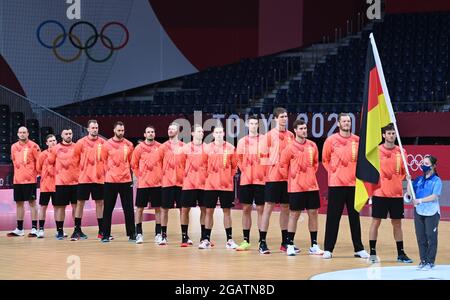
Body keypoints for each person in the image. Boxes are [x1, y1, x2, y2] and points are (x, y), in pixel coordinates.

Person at [322, 113, 369, 259]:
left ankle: (359, 248)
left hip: (354, 185)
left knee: (354, 218)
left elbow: (362, 161)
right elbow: (325, 159)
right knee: (333, 218)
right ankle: (328, 249)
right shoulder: (331, 140)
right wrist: (335, 172)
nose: (346, 123)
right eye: (344, 121)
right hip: (336, 185)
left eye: (348, 121)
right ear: (338, 123)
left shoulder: (357, 140)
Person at [369, 123, 412, 263]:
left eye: (393, 133)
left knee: (397, 224)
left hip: (396, 194)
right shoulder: (376, 151)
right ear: (383, 135)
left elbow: (405, 174)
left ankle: (401, 253)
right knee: (376, 222)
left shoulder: (402, 152)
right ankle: (373, 253)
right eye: (389, 133)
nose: (391, 136)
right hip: (380, 193)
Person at [280, 119, 324, 256]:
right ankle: (290, 245)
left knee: (313, 214)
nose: (304, 131)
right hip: (296, 188)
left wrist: (308, 176)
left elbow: (315, 164)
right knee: (294, 215)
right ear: (295, 131)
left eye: (305, 128)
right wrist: (293, 178)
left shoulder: (313, 145)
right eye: (301, 129)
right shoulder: (289, 148)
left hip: (311, 186)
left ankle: (314, 245)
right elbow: (283, 166)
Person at [258, 107, 295, 254]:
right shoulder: (268, 136)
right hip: (273, 177)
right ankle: (262, 242)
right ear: (274, 119)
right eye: (281, 117)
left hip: (287, 178)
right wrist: (269, 172)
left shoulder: (291, 135)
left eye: (286, 116)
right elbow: (262, 157)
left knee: (286, 208)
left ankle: (285, 242)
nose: (284, 119)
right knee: (268, 208)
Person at [200, 125, 238, 249]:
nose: (218, 134)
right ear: (213, 134)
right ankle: (206, 239)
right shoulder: (206, 148)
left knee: (227, 211)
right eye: (216, 132)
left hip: (226, 186)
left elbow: (234, 167)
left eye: (220, 132)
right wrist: (210, 178)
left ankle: (229, 240)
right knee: (209, 211)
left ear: (224, 133)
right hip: (210, 185)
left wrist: (226, 177)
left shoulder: (231, 148)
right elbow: (203, 166)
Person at [71, 120, 106, 241]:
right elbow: (74, 161)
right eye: (93, 127)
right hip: (84, 178)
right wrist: (79, 174)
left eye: (96, 127)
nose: (95, 129)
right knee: (80, 203)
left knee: (100, 203)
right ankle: (77, 229)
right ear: (88, 129)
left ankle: (102, 230)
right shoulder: (80, 143)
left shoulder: (103, 143)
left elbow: (106, 160)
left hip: (99, 178)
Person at [101, 121, 136, 242]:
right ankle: (105, 234)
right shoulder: (106, 145)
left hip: (126, 180)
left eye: (122, 130)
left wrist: (131, 177)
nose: (121, 132)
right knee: (108, 209)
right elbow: (103, 161)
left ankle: (132, 234)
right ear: (114, 130)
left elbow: (132, 163)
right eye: (119, 130)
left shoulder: (129, 144)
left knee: (129, 208)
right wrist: (109, 173)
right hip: (110, 181)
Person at [235, 115, 266, 251]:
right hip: (246, 180)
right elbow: (239, 160)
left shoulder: (264, 140)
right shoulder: (242, 141)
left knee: (260, 209)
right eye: (251, 123)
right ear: (248, 125)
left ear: (258, 125)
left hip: (261, 180)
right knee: (246, 209)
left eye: (255, 123)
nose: (253, 126)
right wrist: (246, 172)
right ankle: (246, 240)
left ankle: (261, 240)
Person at [406, 155, 442, 271]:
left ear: (433, 166)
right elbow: (410, 194)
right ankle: (423, 260)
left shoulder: (437, 180)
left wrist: (420, 200)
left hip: (432, 212)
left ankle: (430, 262)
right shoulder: (418, 179)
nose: (423, 166)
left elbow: (434, 196)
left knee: (431, 237)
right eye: (422, 163)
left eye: (426, 164)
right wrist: (408, 182)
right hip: (419, 212)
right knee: (421, 237)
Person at [131, 125, 163, 244]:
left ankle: (158, 233)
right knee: (139, 209)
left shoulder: (160, 147)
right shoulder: (139, 148)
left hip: (157, 184)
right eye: (148, 132)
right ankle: (138, 233)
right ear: (144, 134)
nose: (150, 134)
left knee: (158, 209)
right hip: (143, 184)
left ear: (154, 134)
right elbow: (133, 165)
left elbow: (164, 163)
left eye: (152, 132)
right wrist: (140, 176)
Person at [7, 127, 41, 237]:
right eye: (20, 132)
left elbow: (39, 162)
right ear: (17, 134)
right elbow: (14, 160)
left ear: (28, 133)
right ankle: (20, 228)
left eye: (24, 132)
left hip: (30, 180)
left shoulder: (34, 146)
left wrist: (37, 174)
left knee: (32, 203)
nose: (22, 134)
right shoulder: (13, 147)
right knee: (19, 204)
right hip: (17, 180)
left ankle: (34, 228)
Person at [157, 123, 186, 245]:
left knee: (183, 210)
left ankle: (185, 236)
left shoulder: (184, 147)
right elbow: (158, 164)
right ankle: (163, 235)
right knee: (164, 210)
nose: (170, 130)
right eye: (169, 128)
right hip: (167, 183)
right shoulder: (163, 147)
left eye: (173, 129)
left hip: (181, 183)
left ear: (178, 131)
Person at [179, 124, 208, 247]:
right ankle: (184, 237)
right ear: (192, 133)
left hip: (204, 184)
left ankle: (204, 237)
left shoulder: (207, 148)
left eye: (202, 131)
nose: (201, 133)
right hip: (189, 184)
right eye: (198, 131)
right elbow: (180, 166)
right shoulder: (185, 148)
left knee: (205, 210)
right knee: (185, 210)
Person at [48, 128, 79, 240]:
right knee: (61, 208)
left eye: (70, 133)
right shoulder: (55, 149)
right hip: (61, 183)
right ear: (61, 135)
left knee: (76, 207)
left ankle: (77, 230)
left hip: (76, 183)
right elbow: (50, 163)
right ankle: (60, 230)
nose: (68, 135)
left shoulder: (77, 147)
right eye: (66, 134)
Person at [35, 134, 57, 238]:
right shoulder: (43, 154)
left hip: (58, 185)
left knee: (58, 208)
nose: (53, 142)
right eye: (50, 141)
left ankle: (59, 230)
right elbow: (38, 169)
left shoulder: (60, 154)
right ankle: (41, 230)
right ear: (46, 143)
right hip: (45, 186)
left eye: (54, 140)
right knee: (43, 207)